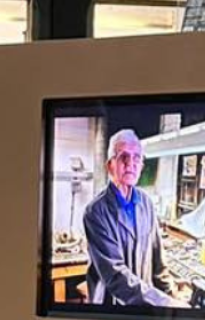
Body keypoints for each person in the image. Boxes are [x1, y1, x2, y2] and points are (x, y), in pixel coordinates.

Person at [81, 129, 189, 308]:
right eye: (123, 156)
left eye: (137, 158)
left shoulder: (147, 203)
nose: (130, 163)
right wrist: (165, 302)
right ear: (110, 166)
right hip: (110, 306)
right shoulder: (95, 212)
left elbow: (158, 262)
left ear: (141, 166)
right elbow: (116, 276)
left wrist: (172, 296)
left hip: (145, 303)